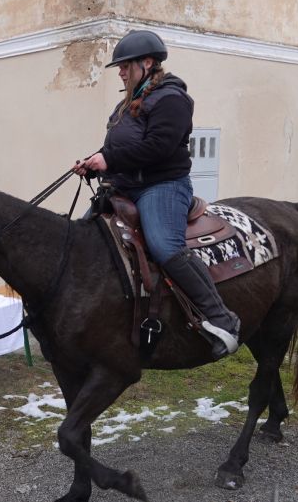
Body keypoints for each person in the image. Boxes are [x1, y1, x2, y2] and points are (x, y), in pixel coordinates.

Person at [73, 30, 240, 360]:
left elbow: (159, 147)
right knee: (81, 239)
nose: (120, 72)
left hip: (161, 186)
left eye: (124, 66)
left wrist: (111, 160)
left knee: (165, 246)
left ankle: (223, 320)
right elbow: (118, 148)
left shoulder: (172, 99)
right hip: (124, 186)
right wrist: (95, 163)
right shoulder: (127, 103)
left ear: (147, 63)